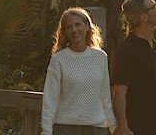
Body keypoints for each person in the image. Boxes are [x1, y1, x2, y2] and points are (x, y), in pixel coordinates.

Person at [42, 7, 116, 135]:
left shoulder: (100, 57)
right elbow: (50, 98)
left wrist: (114, 127)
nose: (74, 30)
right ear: (64, 32)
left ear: (87, 26)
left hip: (97, 128)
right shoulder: (59, 59)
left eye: (78, 25)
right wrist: (46, 131)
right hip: (66, 128)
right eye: (69, 27)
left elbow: (105, 97)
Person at [111, 0, 156, 135]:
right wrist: (123, 127)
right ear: (143, 17)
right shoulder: (128, 50)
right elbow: (119, 92)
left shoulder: (154, 46)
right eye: (154, 7)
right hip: (138, 128)